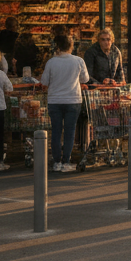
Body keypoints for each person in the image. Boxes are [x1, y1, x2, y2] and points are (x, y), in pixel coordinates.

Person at [39, 33, 88, 172]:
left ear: (58, 46)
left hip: (54, 100)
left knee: (56, 131)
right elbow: (85, 79)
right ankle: (66, 161)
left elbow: (44, 81)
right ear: (71, 46)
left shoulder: (51, 62)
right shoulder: (78, 61)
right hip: (73, 99)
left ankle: (56, 161)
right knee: (69, 131)